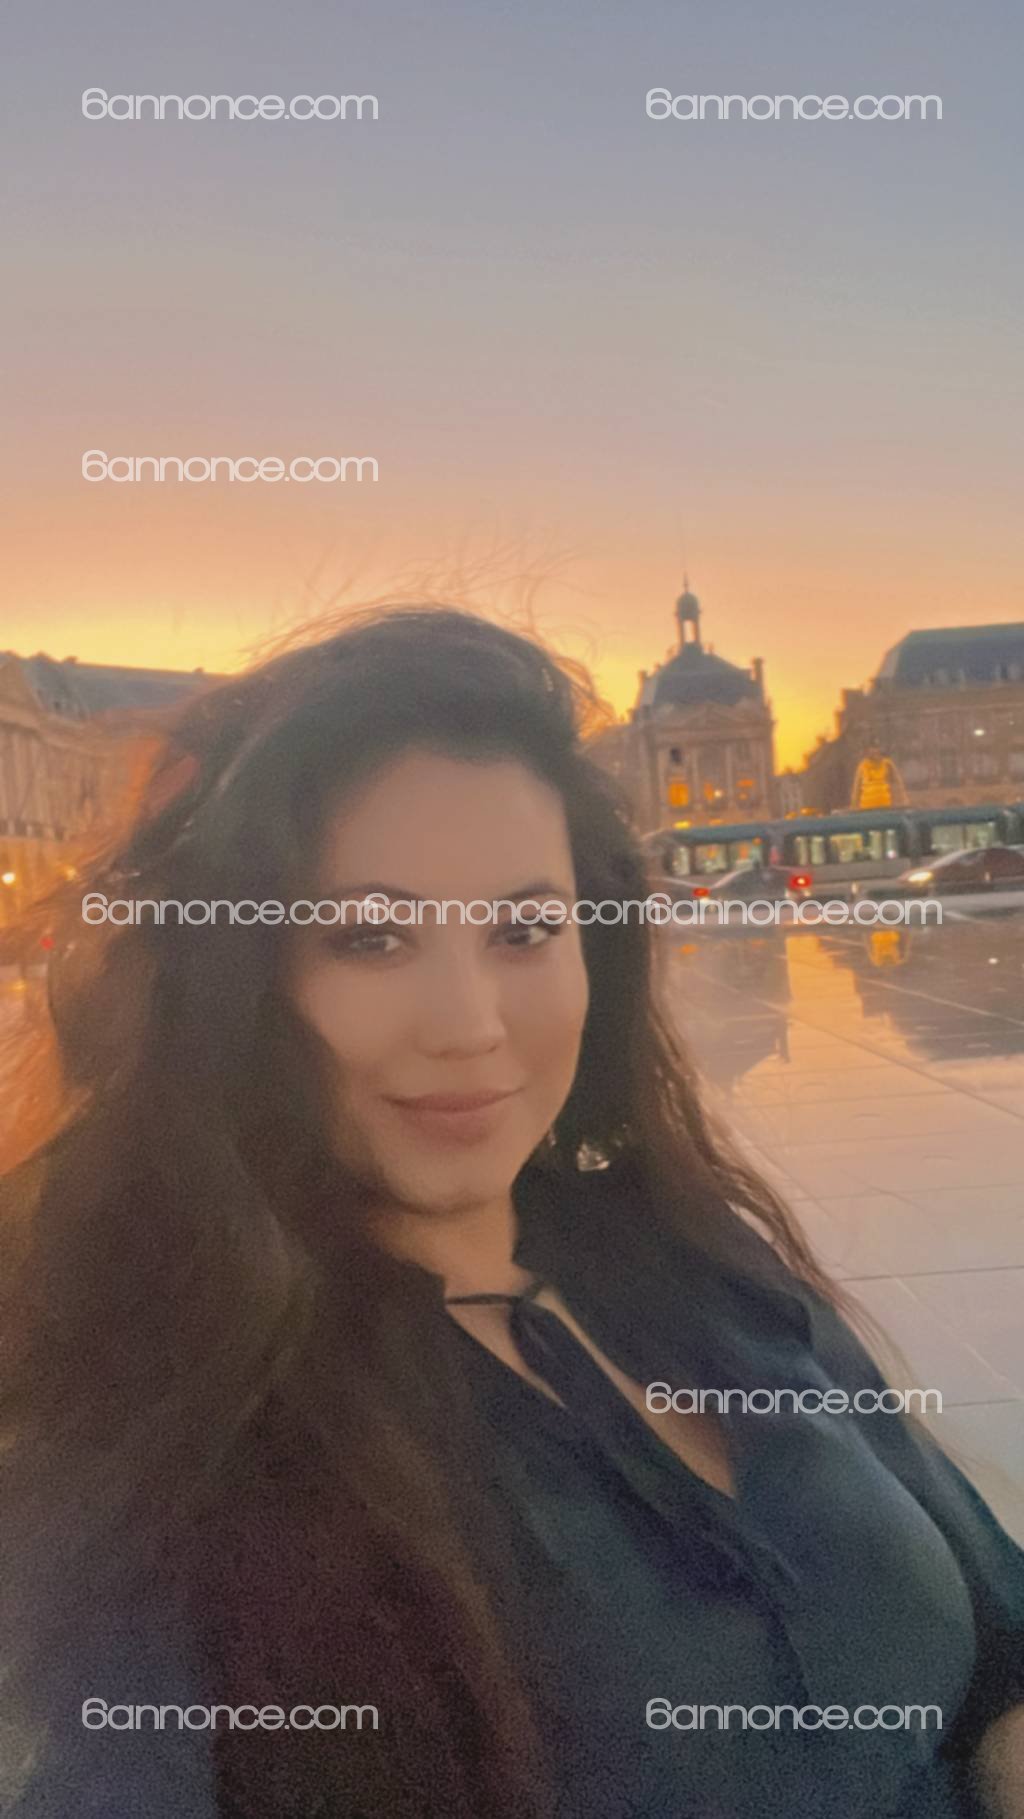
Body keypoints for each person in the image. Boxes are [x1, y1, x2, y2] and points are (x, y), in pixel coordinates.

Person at [0, 605, 1021, 1819]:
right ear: (234, 978)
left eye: (526, 927)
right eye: (370, 936)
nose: (471, 1024)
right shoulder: (150, 1431)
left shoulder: (690, 1253)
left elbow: (997, 1637)